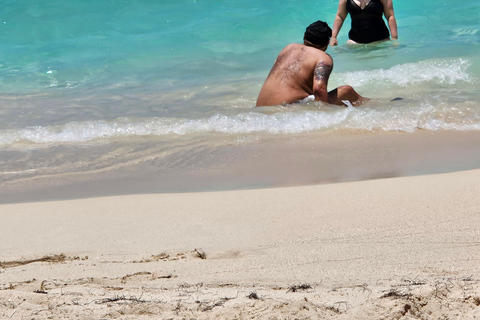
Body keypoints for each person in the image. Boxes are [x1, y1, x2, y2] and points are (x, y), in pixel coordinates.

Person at [256, 21, 369, 107]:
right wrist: (326, 115)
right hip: (286, 110)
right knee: (346, 91)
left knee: (342, 106)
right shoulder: (322, 57)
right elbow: (319, 89)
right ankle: (373, 106)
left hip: (261, 109)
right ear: (326, 43)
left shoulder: (288, 48)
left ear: (304, 37)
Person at [330, 0, 398, 45]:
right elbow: (340, 17)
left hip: (381, 41)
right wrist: (333, 37)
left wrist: (394, 39)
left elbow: (390, 16)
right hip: (355, 42)